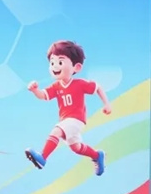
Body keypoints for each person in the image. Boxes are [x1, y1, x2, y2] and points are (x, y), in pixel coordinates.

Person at [25, 40, 112, 176]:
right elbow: (43, 96)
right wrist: (35, 90)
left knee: (56, 131)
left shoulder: (79, 84)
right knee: (75, 147)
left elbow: (97, 87)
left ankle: (43, 157)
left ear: (76, 67)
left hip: (76, 119)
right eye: (52, 63)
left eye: (60, 62)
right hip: (66, 120)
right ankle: (97, 155)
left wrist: (107, 104)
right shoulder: (56, 86)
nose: (55, 66)